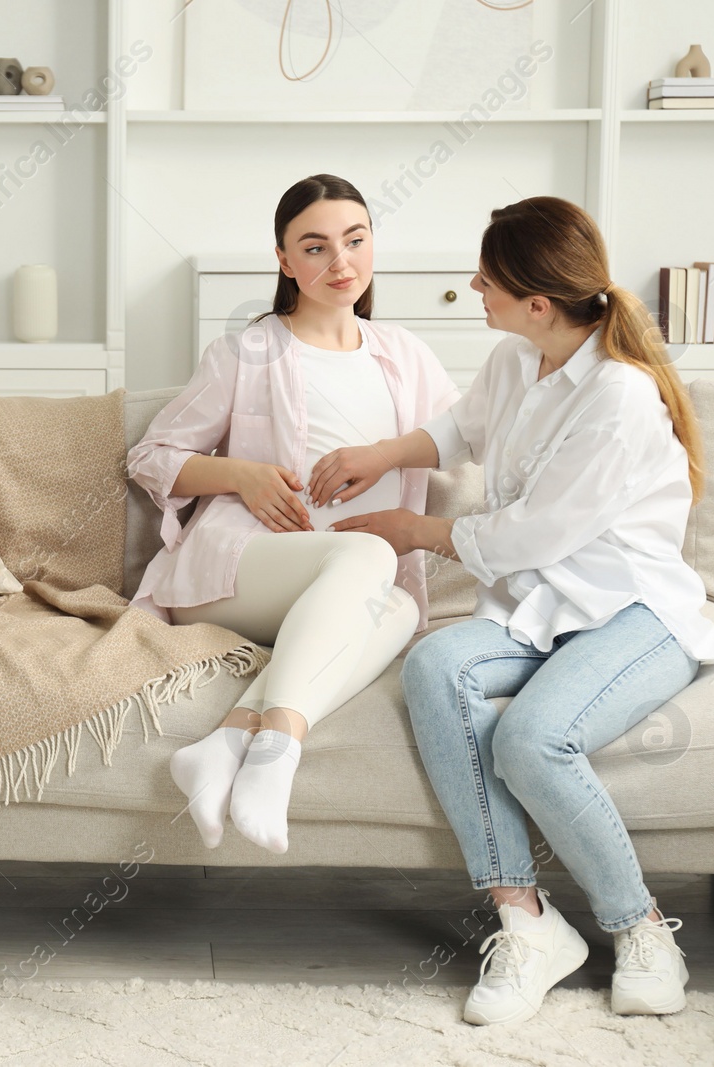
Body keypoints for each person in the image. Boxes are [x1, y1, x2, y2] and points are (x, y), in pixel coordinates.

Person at [316, 195, 714, 1025]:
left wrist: (415, 528)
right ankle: (529, 921)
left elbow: (529, 535)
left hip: (633, 612)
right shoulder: (519, 358)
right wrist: (382, 455)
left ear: (538, 303)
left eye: (490, 278)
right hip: (541, 608)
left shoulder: (619, 399)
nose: (475, 285)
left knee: (531, 738)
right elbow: (459, 429)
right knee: (435, 664)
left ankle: (642, 926)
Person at [124, 174, 460, 854]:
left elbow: (465, 438)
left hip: (341, 588)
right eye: (316, 247)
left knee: (395, 606)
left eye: (355, 240)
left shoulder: (405, 355)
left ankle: (225, 743)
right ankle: (277, 750)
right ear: (284, 260)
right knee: (371, 557)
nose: (341, 263)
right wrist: (239, 476)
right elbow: (151, 456)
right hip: (236, 569)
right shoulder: (247, 352)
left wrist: (387, 453)